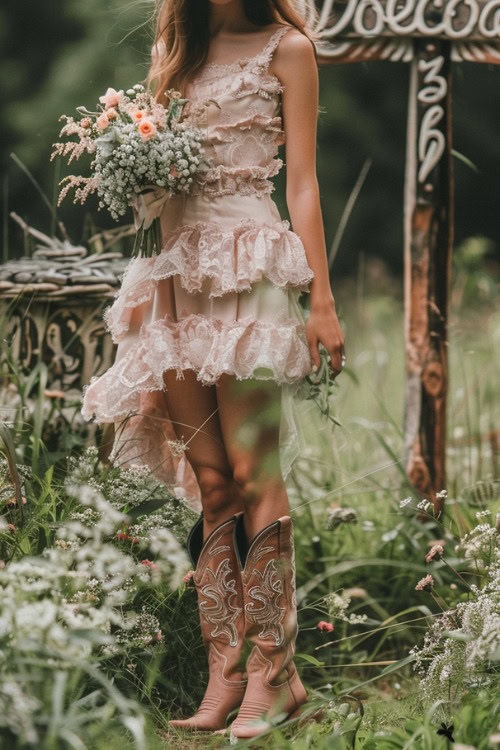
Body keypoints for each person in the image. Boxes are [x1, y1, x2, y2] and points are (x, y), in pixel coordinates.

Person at [82, 0, 345, 739]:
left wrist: (319, 297)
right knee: (213, 483)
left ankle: (276, 673)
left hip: (246, 270)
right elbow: (162, 174)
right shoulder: (177, 49)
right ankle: (224, 673)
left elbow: (302, 183)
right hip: (174, 275)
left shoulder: (289, 48)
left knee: (255, 473)